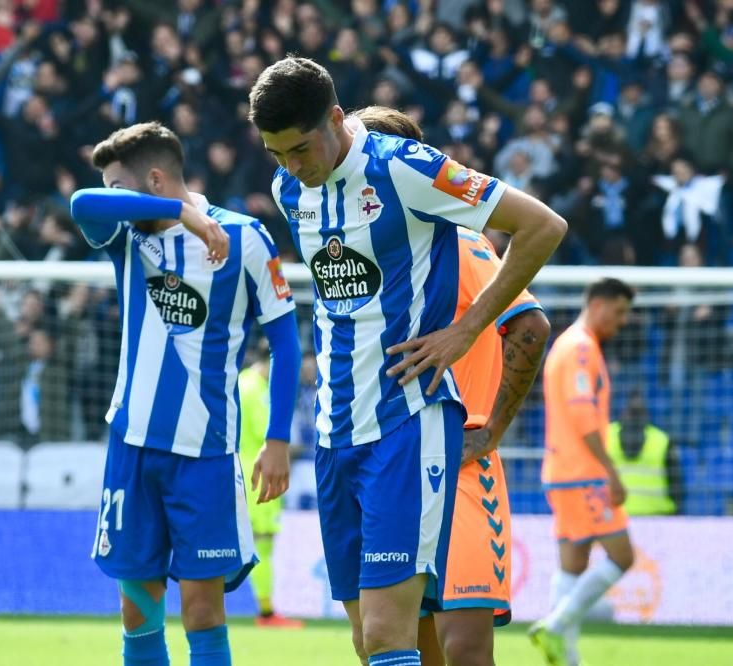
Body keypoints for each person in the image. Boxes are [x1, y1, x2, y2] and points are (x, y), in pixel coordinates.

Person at [249, 57, 567, 666]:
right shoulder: (290, 189)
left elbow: (542, 226)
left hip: (407, 422)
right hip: (335, 431)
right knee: (369, 640)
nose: (291, 165)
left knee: (395, 632)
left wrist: (465, 330)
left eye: (299, 148)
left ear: (336, 119)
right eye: (275, 153)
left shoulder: (404, 168)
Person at [69, 121, 301, 666]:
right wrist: (180, 213)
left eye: (117, 187)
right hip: (132, 447)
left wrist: (277, 439)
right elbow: (82, 204)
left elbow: (286, 344)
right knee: (138, 613)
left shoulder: (245, 237)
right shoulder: (128, 233)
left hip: (207, 454)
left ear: (154, 179)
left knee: (203, 611)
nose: (110, 198)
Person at [352, 106, 552, 666]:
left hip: (460, 464)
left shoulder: (458, 244)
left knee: (464, 652)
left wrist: (490, 430)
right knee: (400, 645)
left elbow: (530, 326)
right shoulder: (375, 255)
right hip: (395, 460)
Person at [529, 278, 636, 666]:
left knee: (573, 564)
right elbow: (581, 412)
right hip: (583, 474)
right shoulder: (580, 348)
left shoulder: (566, 345)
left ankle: (566, 658)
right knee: (623, 556)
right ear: (597, 303)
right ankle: (557, 624)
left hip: (561, 470)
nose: (622, 321)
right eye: (619, 311)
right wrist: (610, 471)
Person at [238, 339, 305, 629]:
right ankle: (266, 614)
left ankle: (264, 610)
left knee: (253, 544)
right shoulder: (257, 389)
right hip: (257, 475)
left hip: (243, 472)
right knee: (262, 546)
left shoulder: (242, 382)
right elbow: (268, 434)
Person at [606, 390, 682, 516]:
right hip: (658, 517)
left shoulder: (606, 435)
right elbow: (677, 486)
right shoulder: (662, 440)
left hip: (615, 516)